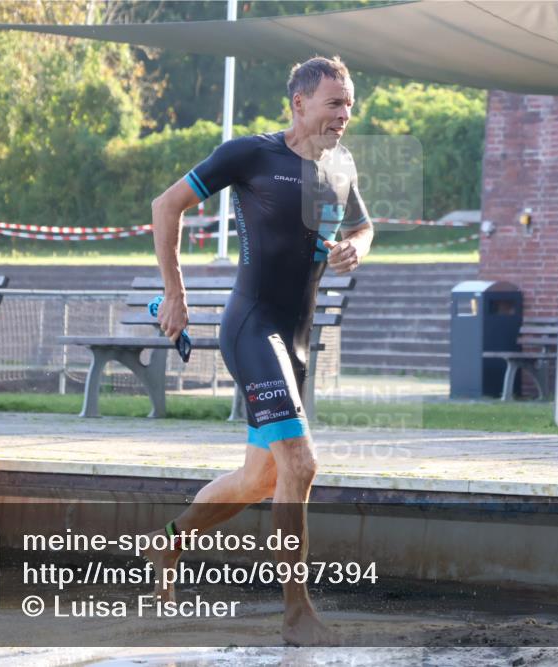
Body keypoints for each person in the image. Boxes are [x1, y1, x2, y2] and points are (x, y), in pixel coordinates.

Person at [147, 56, 373, 645]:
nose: (344, 114)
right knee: (301, 464)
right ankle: (297, 614)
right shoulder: (250, 154)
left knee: (256, 480)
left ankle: (168, 541)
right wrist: (176, 294)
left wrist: (356, 247)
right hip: (252, 328)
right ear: (298, 104)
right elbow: (166, 204)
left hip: (296, 337)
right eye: (334, 103)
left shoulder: (341, 164)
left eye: (349, 103)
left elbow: (362, 226)